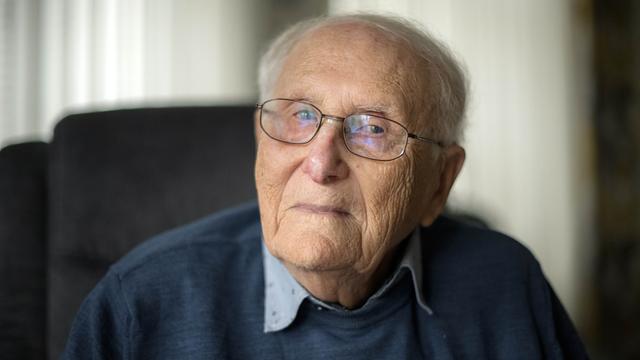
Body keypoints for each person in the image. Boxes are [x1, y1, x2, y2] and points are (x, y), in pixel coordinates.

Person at [62, 14, 587, 359]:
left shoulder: (507, 284)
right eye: (301, 116)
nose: (320, 162)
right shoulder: (141, 301)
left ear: (440, 183)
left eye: (374, 128)